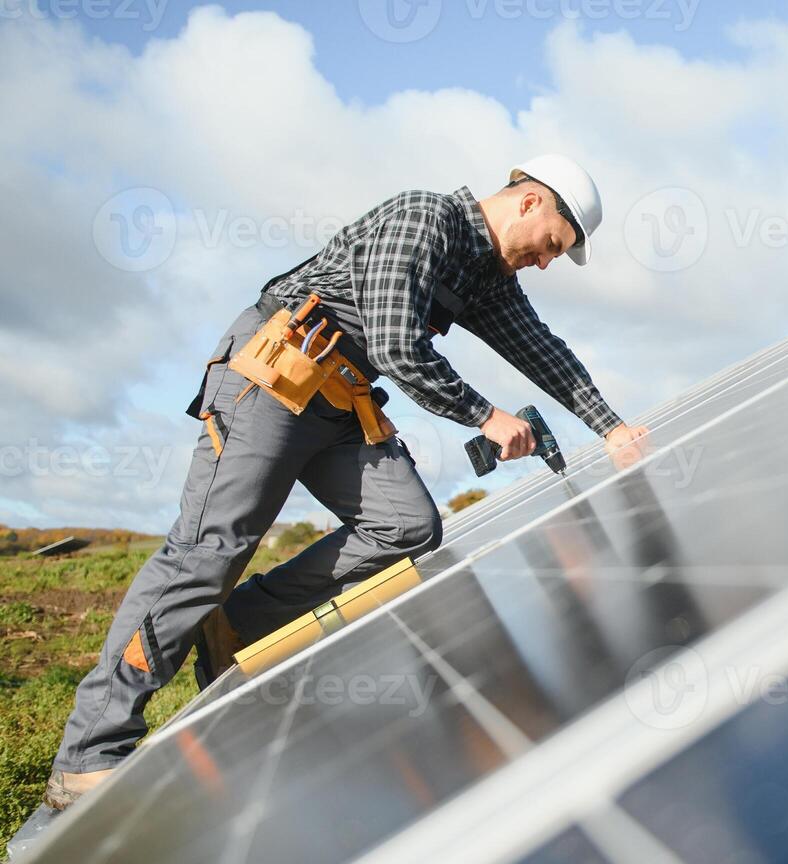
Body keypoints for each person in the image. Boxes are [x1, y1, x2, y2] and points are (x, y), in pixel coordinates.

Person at [43, 154, 649, 810]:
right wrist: (485, 416)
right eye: (553, 246)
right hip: (274, 375)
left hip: (342, 398)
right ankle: (90, 751)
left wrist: (611, 427)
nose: (547, 262)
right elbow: (395, 345)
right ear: (530, 202)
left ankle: (238, 623)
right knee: (209, 552)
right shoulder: (427, 218)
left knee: (407, 525)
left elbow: (540, 348)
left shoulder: (485, 278)